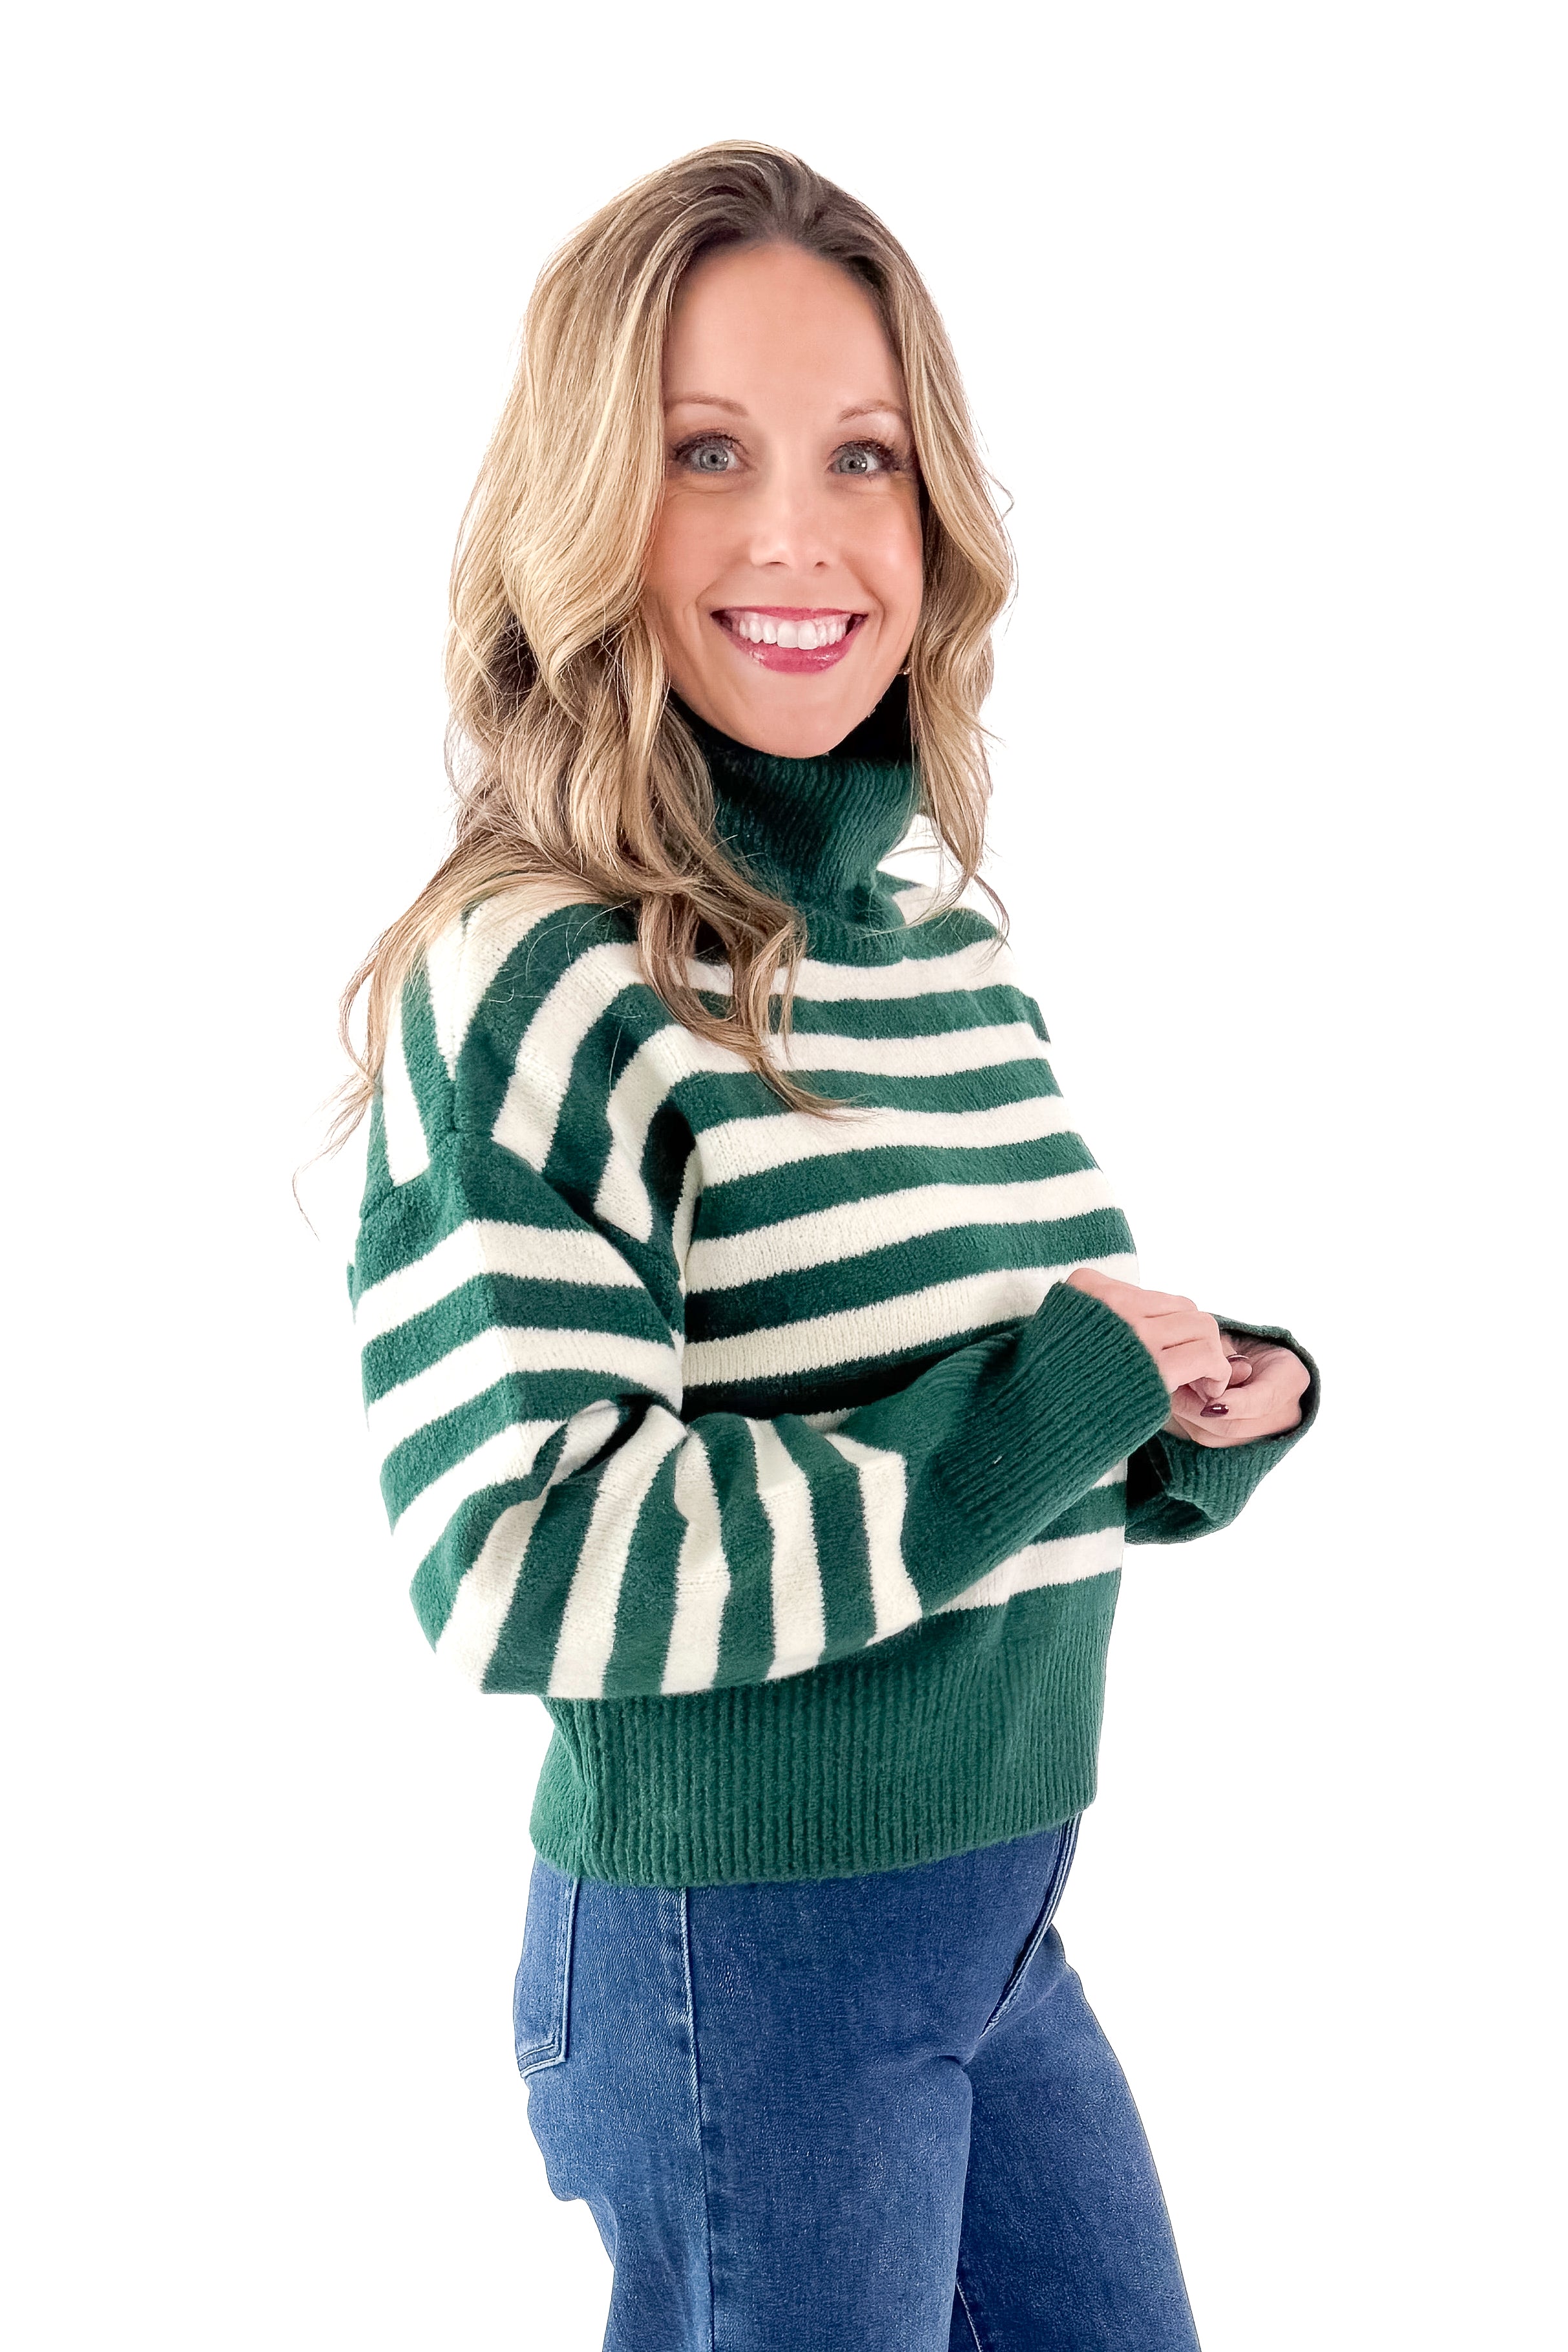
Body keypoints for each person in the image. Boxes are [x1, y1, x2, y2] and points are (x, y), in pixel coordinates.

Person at [344, 142, 1317, 2352]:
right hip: (739, 1959)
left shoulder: (928, 942)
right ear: (590, 504)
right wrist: (1044, 1406)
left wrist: (1175, 1412)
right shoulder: (535, 975)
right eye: (706, 453)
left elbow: (995, 1382)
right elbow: (518, 1552)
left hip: (997, 1918)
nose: (798, 531)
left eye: (860, 456)